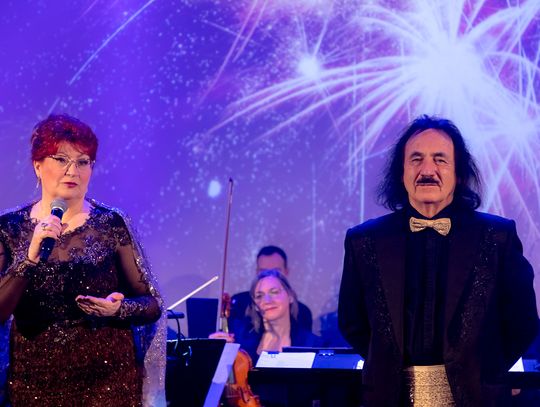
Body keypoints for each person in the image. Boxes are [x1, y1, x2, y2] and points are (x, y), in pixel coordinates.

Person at [338, 115, 538, 406]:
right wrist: (388, 367)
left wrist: (482, 373)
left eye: (440, 159)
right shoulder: (364, 240)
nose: (427, 170)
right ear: (401, 172)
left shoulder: (497, 236)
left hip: (477, 398)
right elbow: (352, 322)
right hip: (388, 397)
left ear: (459, 174)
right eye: (416, 159)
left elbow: (523, 322)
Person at [0, 114, 166, 406]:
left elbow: (152, 305)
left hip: (109, 382)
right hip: (34, 382)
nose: (72, 171)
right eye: (61, 159)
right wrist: (29, 258)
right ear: (37, 165)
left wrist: (119, 309)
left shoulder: (111, 224)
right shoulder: (9, 228)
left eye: (82, 161)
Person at [212, 268, 321, 363]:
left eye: (274, 292)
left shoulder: (312, 344)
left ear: (290, 296)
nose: (267, 301)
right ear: (255, 306)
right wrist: (212, 352)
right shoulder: (240, 344)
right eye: (259, 296)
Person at [229, 245, 313, 334]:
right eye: (263, 271)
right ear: (257, 272)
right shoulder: (238, 304)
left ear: (286, 272)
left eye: (276, 271)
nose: (269, 277)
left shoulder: (303, 313)